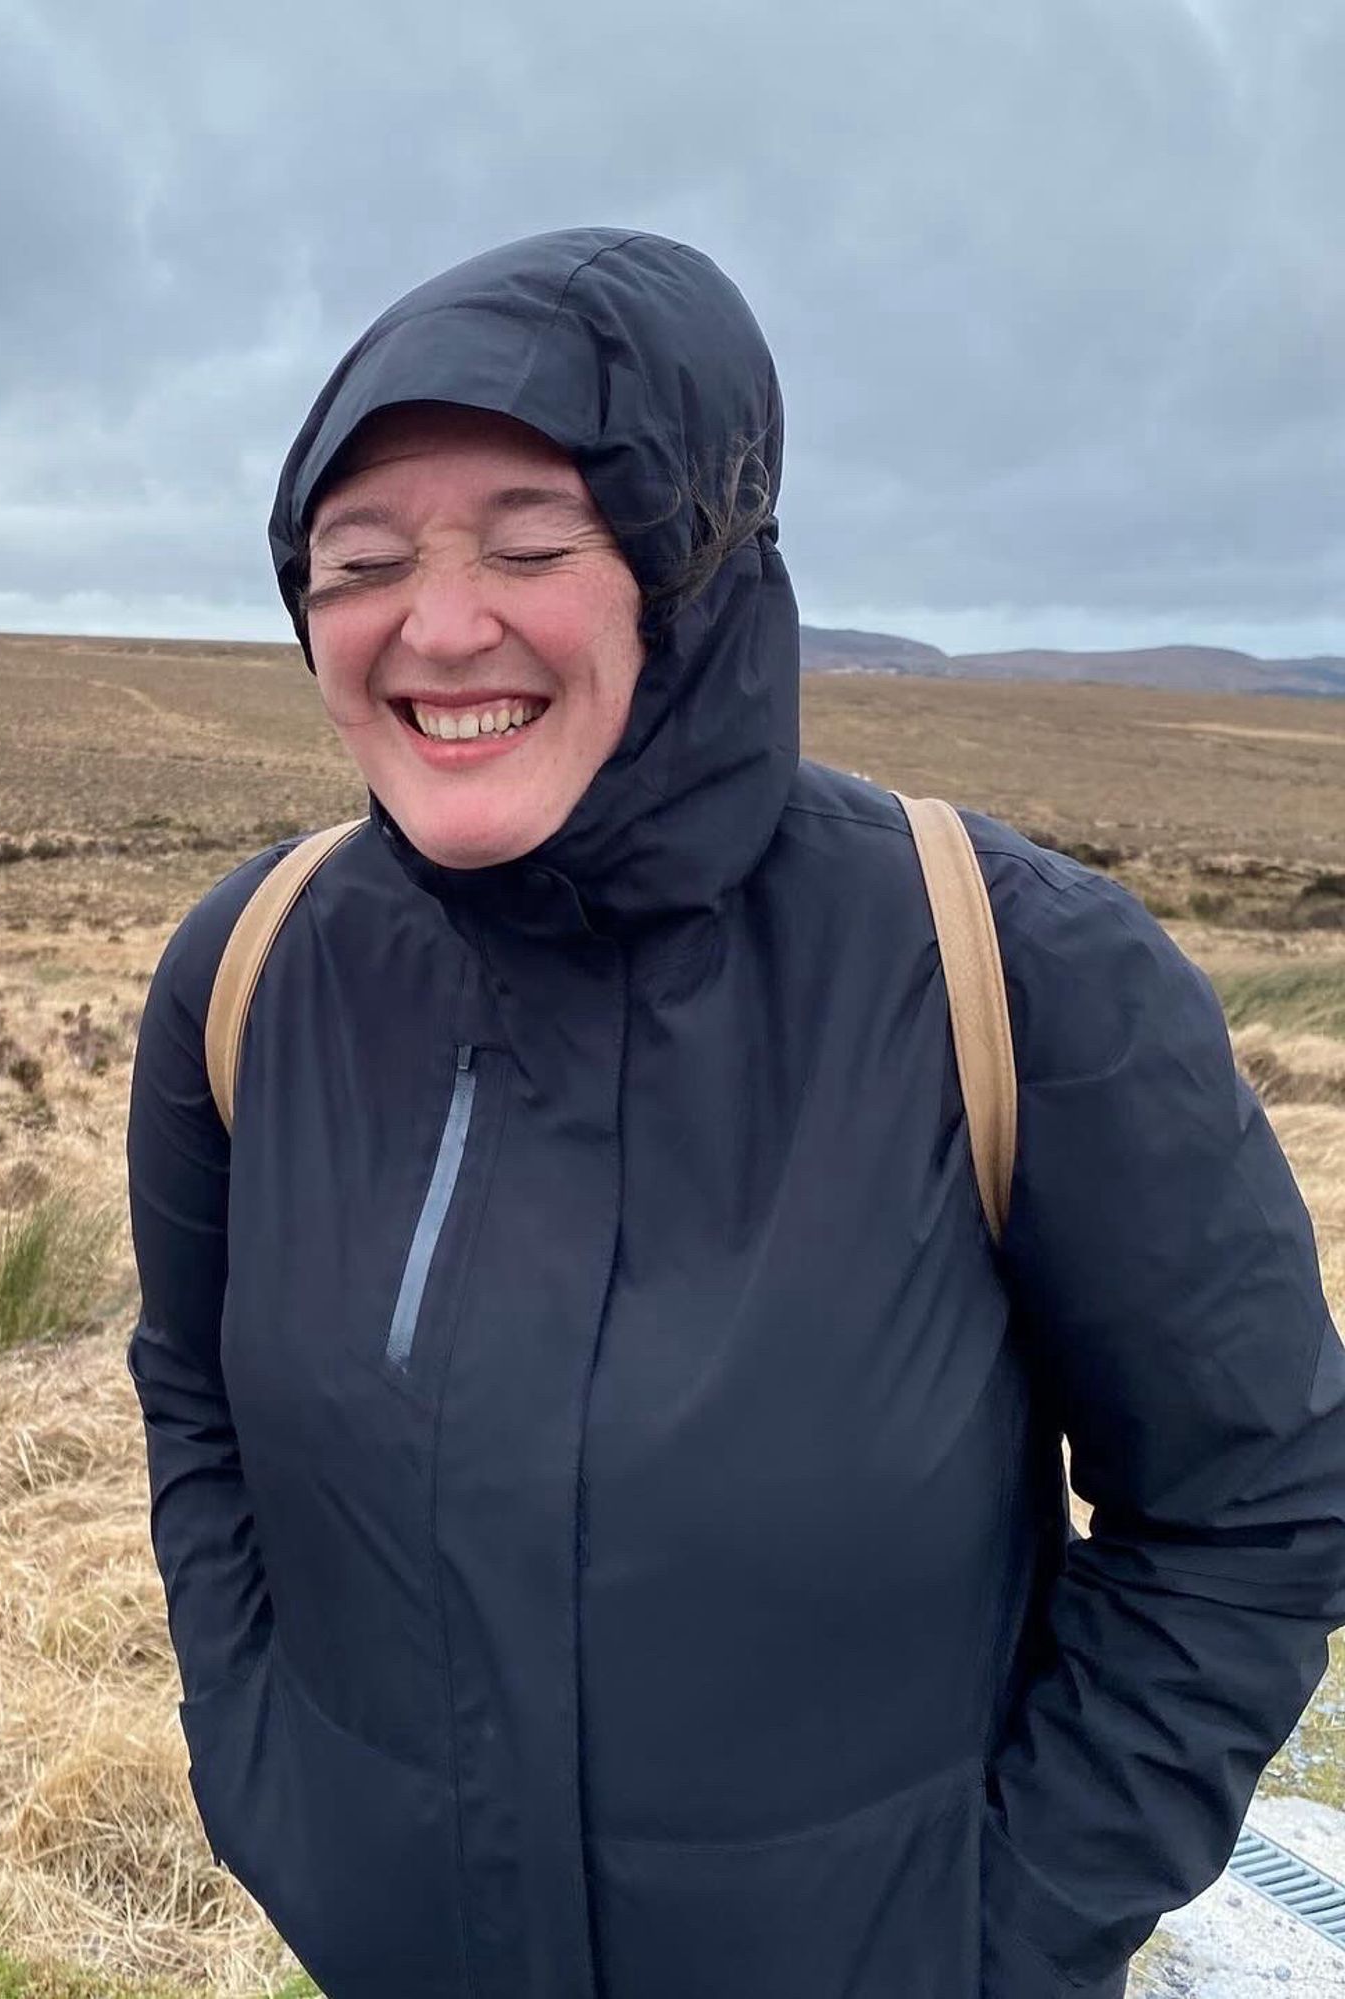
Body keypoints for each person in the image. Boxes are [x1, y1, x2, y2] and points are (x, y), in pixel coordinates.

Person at [124, 228, 1345, 1999]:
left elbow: (1250, 1508)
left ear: (689, 570)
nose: (437, 624)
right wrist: (272, 1783)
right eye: (360, 558)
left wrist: (993, 1937)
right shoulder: (250, 979)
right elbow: (198, 1406)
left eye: (534, 545)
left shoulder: (1018, 975)